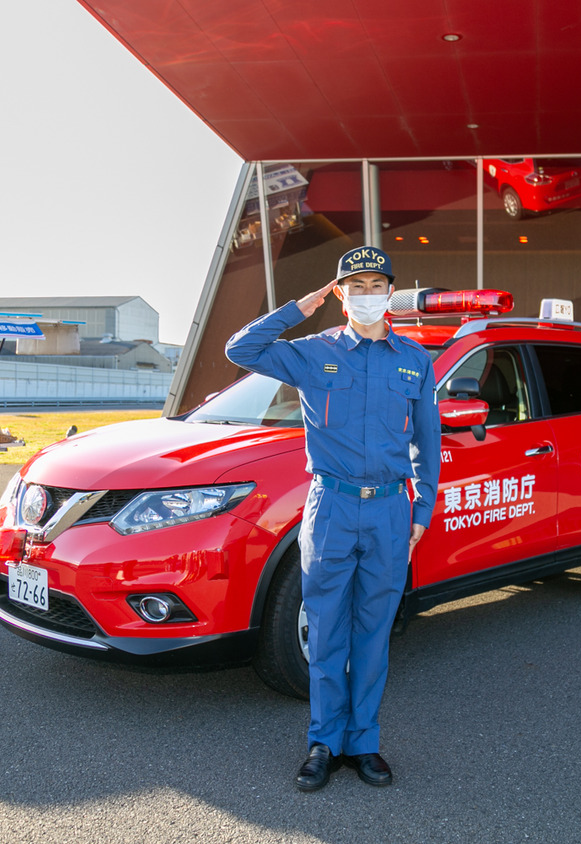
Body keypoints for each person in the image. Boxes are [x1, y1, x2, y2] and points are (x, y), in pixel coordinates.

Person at [226, 245, 441, 792]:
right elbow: (240, 348)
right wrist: (300, 307)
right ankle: (324, 742)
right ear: (340, 295)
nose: (368, 295)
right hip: (331, 507)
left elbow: (427, 443)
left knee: (374, 630)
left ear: (390, 292)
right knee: (324, 630)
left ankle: (364, 742)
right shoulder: (309, 352)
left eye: (377, 285)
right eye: (356, 286)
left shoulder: (414, 360)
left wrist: (422, 508)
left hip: (391, 509)